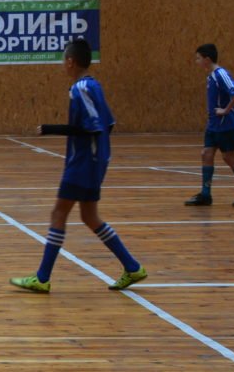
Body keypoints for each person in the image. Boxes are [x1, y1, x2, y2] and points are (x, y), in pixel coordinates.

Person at [10, 38, 146, 294]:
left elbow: (90, 127)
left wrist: (50, 129)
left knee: (58, 213)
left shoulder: (80, 88)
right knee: (89, 216)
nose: (63, 64)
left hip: (83, 163)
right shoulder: (94, 86)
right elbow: (109, 124)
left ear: (71, 62)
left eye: (64, 59)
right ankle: (132, 267)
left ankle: (42, 277)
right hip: (95, 161)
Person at [185, 43, 234, 207]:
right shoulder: (211, 76)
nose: (196, 61)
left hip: (225, 124)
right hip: (213, 124)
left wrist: (226, 110)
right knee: (206, 154)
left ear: (207, 59)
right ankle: (205, 194)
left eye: (198, 58)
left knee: (228, 157)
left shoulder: (221, 74)